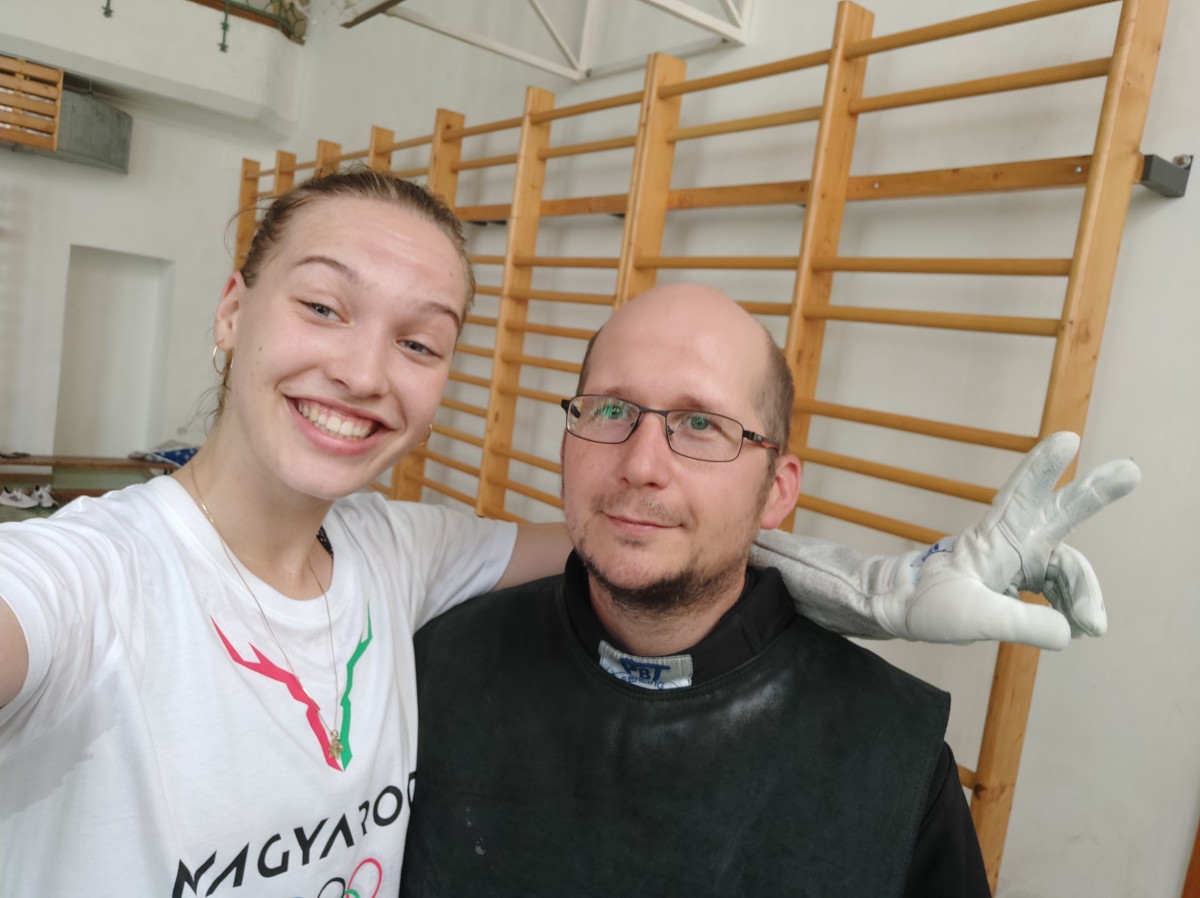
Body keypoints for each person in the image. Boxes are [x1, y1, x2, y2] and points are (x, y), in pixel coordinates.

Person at [0, 170, 1134, 897]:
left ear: (778, 485)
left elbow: (632, 536)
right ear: (232, 310)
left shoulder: (399, 560)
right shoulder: (88, 577)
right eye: (323, 305)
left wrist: (882, 587)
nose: (361, 369)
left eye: (419, 340)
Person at [398, 285, 1090, 896]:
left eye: (700, 424)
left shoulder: (894, 758)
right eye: (609, 409)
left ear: (777, 491)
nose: (641, 463)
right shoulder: (437, 665)